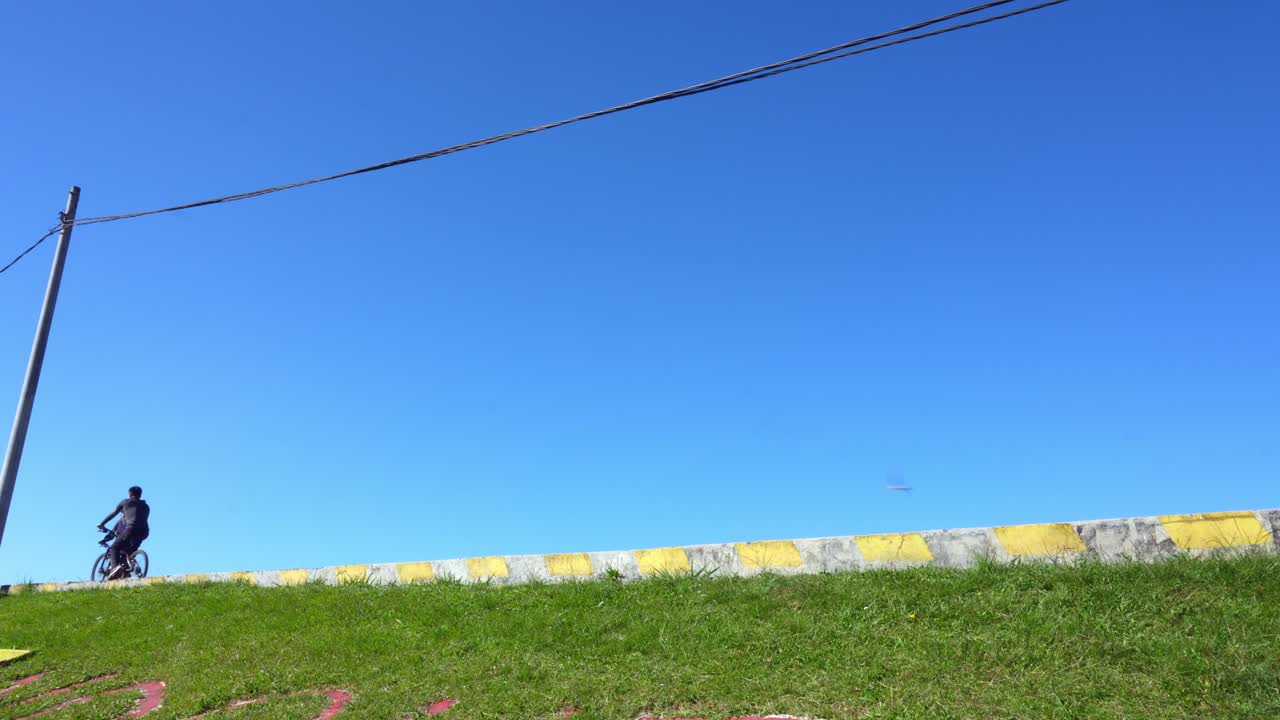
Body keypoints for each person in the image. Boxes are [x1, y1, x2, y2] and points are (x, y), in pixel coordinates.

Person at [97, 486, 150, 579]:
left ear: (130, 494)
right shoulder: (146, 506)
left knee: (114, 547)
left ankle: (114, 569)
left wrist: (102, 523)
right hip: (144, 532)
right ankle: (126, 570)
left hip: (131, 529)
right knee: (129, 553)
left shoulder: (125, 502)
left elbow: (113, 513)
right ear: (140, 494)